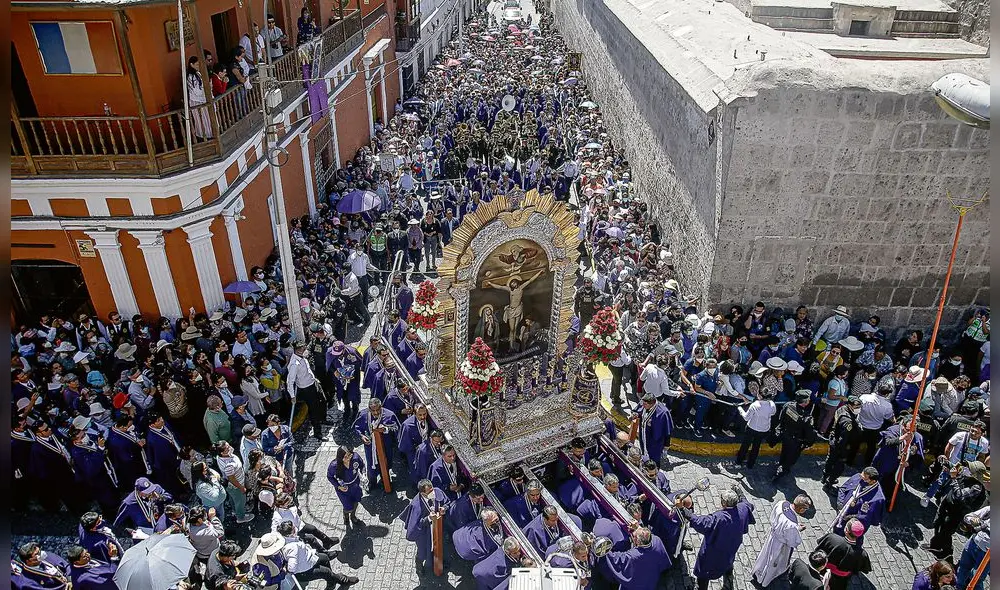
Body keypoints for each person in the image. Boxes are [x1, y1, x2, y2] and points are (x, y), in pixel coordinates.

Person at [678, 486, 755, 590]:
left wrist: (683, 509)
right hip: (732, 546)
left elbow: (699, 522)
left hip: (714, 551)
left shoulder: (719, 518)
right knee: (728, 561)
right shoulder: (743, 509)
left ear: (723, 503)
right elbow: (747, 503)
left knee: (704, 573)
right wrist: (740, 492)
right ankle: (728, 577)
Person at [922, 460, 987, 561]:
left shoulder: (976, 488)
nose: (965, 468)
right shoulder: (966, 476)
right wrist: (946, 462)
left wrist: (953, 478)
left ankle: (946, 554)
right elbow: (955, 468)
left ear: (973, 474)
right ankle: (935, 545)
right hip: (947, 505)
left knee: (946, 533)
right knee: (938, 524)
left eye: (968, 468)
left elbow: (959, 497)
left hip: (956, 514)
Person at [750, 494, 812, 586]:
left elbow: (774, 518)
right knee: (772, 562)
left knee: (764, 556)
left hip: (772, 537)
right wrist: (798, 529)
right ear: (802, 509)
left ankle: (758, 572)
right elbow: (791, 540)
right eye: (805, 509)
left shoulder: (782, 503)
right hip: (779, 545)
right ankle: (764, 580)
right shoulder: (791, 524)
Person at [276, 520, 358, 586]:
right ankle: (343, 581)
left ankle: (331, 582)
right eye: (294, 529)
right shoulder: (292, 548)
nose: (296, 529)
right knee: (326, 572)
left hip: (309, 557)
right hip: (304, 571)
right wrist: (286, 567)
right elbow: (291, 568)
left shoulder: (290, 539)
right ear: (289, 535)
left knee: (325, 558)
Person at [400, 479, 450, 575]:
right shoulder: (416, 506)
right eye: (429, 492)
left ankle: (438, 561)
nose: (432, 493)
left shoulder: (437, 491)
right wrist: (428, 519)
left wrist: (445, 508)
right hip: (425, 532)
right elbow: (415, 526)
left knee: (439, 546)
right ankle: (418, 564)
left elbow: (447, 502)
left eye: (432, 490)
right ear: (422, 493)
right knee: (422, 551)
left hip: (438, 527)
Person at [600, 526, 671, 590]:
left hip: (637, 584)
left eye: (634, 535)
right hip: (651, 578)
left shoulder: (633, 555)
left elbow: (616, 559)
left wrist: (605, 550)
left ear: (637, 541)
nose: (633, 534)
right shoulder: (656, 540)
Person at [353, 397, 400, 491]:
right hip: (370, 446)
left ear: (381, 407)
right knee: (371, 464)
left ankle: (385, 479)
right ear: (369, 409)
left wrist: (386, 429)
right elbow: (357, 427)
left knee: (385, 462)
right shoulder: (363, 414)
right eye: (372, 410)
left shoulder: (389, 415)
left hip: (386, 445)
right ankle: (372, 482)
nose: (375, 413)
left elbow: (396, 428)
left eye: (377, 410)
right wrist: (362, 436)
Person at [773, 390, 818, 480]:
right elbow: (809, 434)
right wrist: (808, 443)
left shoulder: (788, 405)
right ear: (805, 402)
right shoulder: (806, 417)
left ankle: (781, 464)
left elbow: (781, 418)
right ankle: (781, 471)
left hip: (785, 435)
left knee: (784, 452)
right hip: (796, 441)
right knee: (791, 458)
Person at [815, 519, 872, 590]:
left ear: (846, 530)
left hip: (823, 570)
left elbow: (818, 550)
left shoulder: (831, 538)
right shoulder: (862, 554)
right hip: (841, 579)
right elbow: (863, 568)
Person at [287, 341, 326, 440]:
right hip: (306, 389)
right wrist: (292, 396)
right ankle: (318, 432)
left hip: (313, 383)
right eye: (302, 349)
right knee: (314, 410)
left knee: (323, 400)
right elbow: (290, 382)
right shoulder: (294, 364)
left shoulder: (302, 357)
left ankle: (323, 419)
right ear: (298, 350)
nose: (304, 350)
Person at [821, 396, 863, 489]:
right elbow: (843, 438)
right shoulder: (847, 421)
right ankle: (829, 483)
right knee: (839, 466)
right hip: (840, 445)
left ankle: (825, 477)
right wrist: (843, 452)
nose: (858, 409)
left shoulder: (842, 408)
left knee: (830, 460)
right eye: (856, 407)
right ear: (850, 406)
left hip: (833, 438)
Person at [834, 467, 885, 539]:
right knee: (836, 534)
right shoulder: (858, 476)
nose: (861, 478)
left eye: (864, 478)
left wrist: (849, 517)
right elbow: (843, 489)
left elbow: (867, 518)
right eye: (861, 475)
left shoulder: (877, 499)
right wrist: (840, 504)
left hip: (853, 525)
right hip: (841, 514)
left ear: (873, 481)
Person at [735, 389, 776, 470]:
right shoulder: (772, 404)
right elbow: (772, 413)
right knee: (756, 447)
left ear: (759, 395)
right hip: (763, 429)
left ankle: (739, 461)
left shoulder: (755, 405)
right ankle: (750, 464)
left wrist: (740, 409)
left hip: (752, 428)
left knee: (745, 445)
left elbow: (746, 418)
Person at [327, 445, 365, 529]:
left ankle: (353, 516)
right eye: (345, 457)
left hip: (355, 485)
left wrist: (363, 474)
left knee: (356, 501)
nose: (348, 458)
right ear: (340, 457)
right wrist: (338, 486)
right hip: (343, 490)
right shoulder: (334, 466)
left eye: (349, 455)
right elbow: (329, 477)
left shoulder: (355, 458)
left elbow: (362, 465)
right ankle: (346, 516)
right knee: (348, 506)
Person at [955, 506, 989, 590]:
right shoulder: (990, 510)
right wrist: (972, 520)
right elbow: (967, 517)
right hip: (972, 544)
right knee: (962, 569)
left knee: (976, 579)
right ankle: (958, 587)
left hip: (987, 555)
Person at [634, 393, 673, 465]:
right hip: (643, 437)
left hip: (655, 442)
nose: (643, 406)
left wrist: (667, 445)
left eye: (645, 404)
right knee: (644, 455)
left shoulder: (663, 413)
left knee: (654, 461)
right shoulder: (644, 404)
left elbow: (667, 430)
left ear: (652, 403)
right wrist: (636, 415)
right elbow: (638, 411)